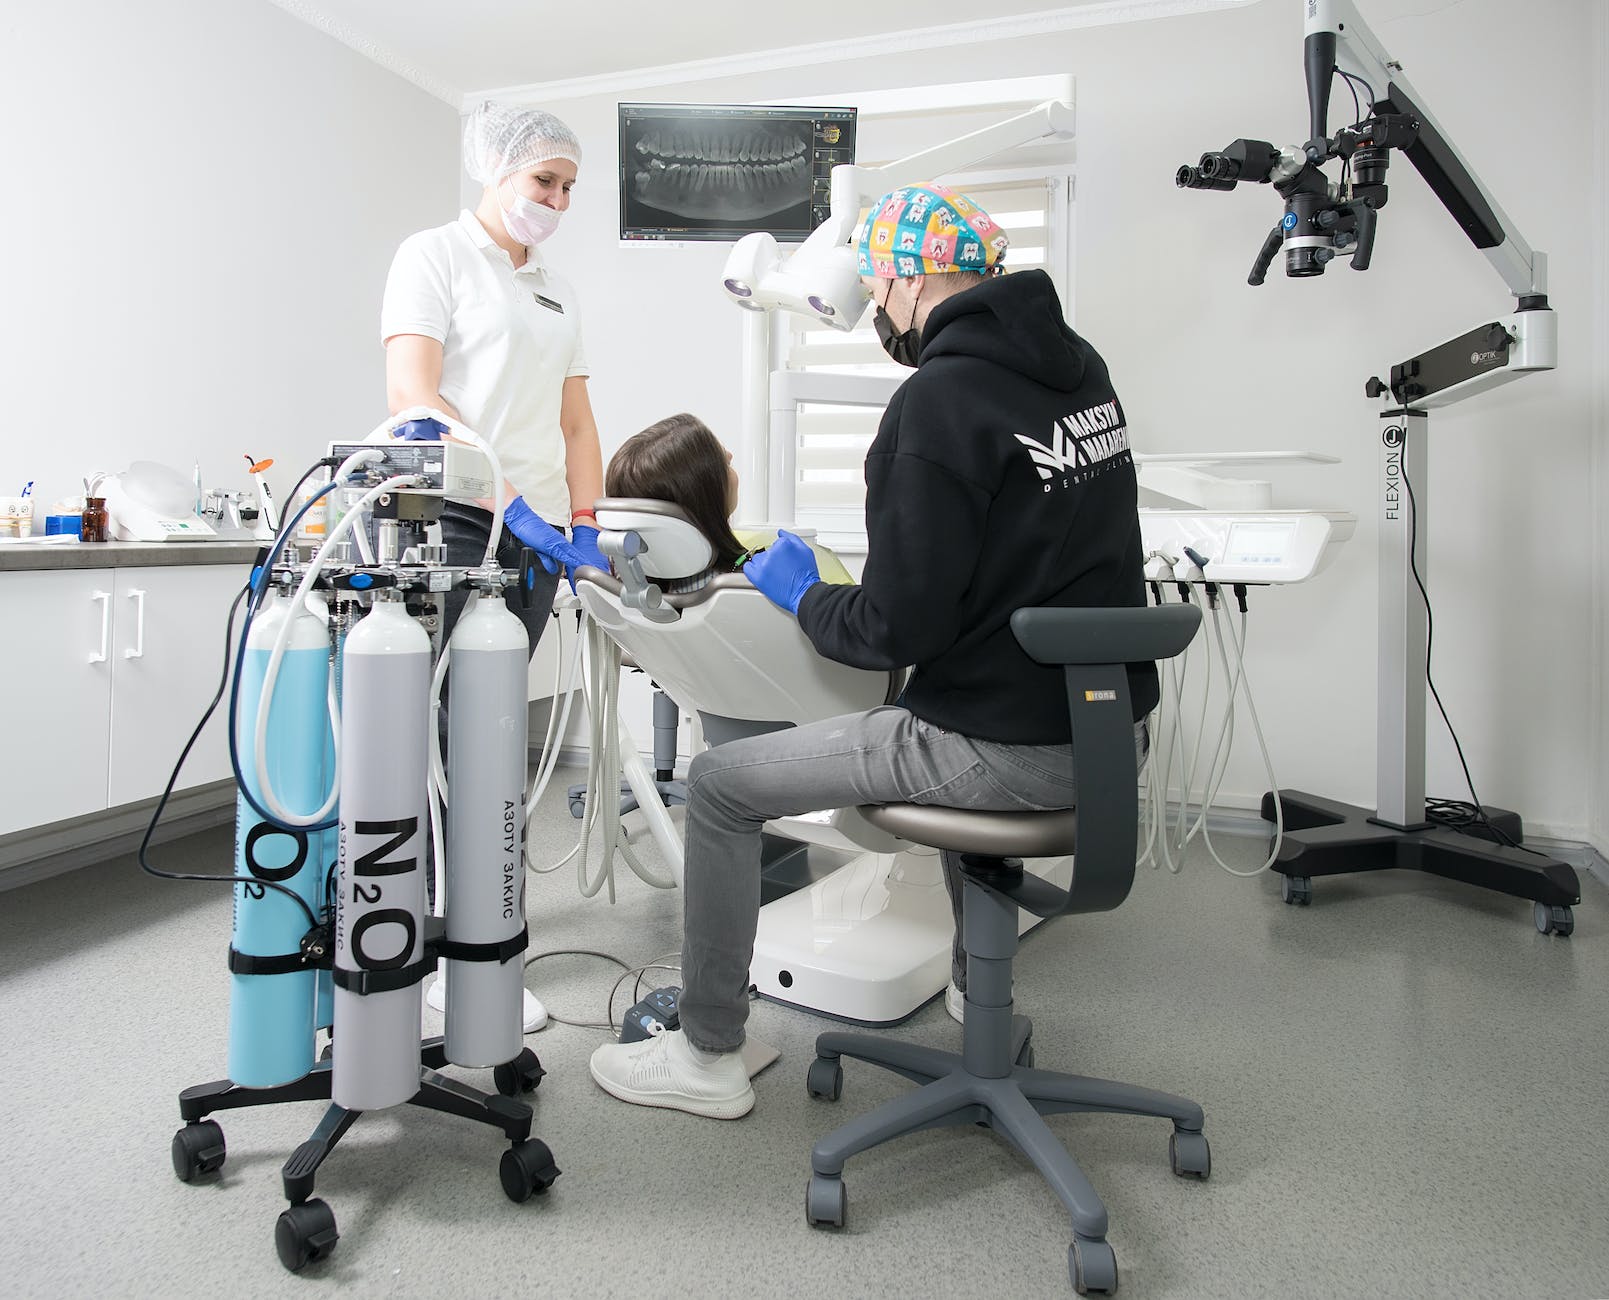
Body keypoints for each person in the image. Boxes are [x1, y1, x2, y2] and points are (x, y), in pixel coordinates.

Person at [588, 184, 1157, 1119]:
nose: (880, 316)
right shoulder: (1078, 369)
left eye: (880, 293)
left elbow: (895, 630)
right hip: (1107, 734)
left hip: (999, 750)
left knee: (725, 782)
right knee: (937, 710)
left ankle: (705, 1055)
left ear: (901, 280)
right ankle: (981, 992)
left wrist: (802, 593)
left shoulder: (934, 403)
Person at [381, 101, 610, 1033]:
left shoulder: (556, 291)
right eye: (541, 182)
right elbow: (412, 396)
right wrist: (499, 494)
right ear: (496, 171)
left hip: (541, 532)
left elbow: (576, 422)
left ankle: (487, 928)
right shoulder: (431, 255)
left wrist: (586, 521)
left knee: (494, 733)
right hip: (456, 515)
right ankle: (443, 947)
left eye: (566, 187)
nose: (555, 200)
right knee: (445, 737)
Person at [602, 412, 853, 592]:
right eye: (722, 462)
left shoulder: (636, 592)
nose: (730, 454)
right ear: (704, 497)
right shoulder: (752, 585)